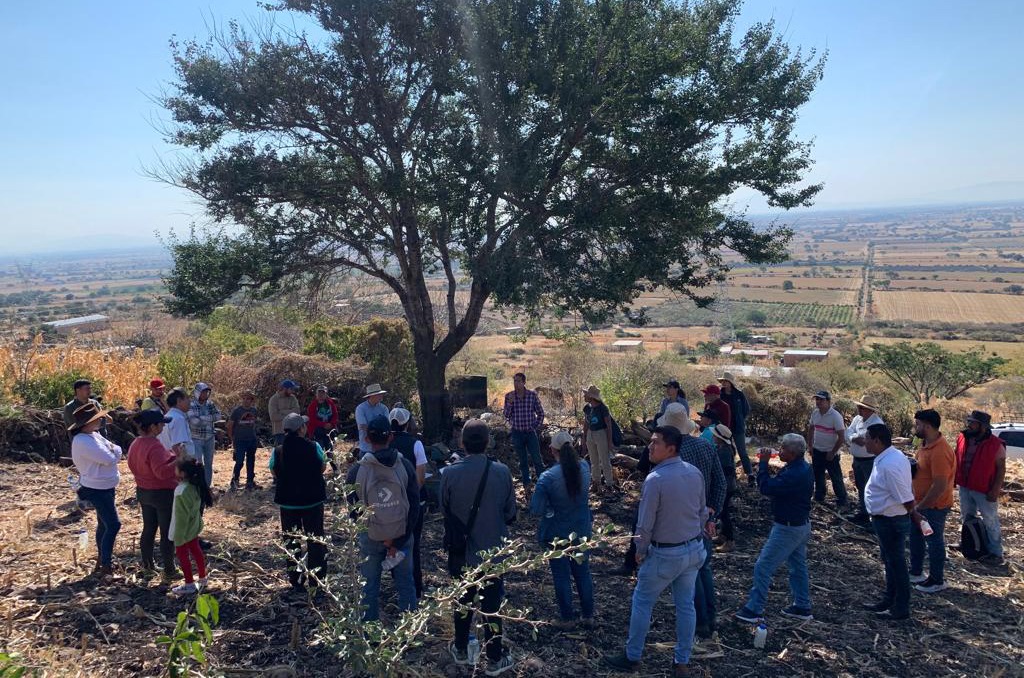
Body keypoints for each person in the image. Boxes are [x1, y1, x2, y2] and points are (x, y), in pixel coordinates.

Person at [604, 426, 708, 677]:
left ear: (671, 448)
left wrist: (639, 550)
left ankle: (632, 656)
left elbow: (645, 522)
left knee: (642, 602)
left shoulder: (656, 480)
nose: (649, 447)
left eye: (655, 443)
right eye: (649, 442)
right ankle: (681, 662)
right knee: (686, 606)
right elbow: (702, 511)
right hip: (693, 550)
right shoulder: (694, 473)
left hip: (666, 554)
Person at [441, 419, 517, 675]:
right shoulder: (502, 472)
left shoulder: (449, 474)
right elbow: (510, 513)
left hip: (461, 552)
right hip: (493, 552)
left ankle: (461, 650)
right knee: (492, 606)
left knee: (462, 603)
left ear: (462, 443)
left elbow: (445, 510)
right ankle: (494, 659)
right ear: (487, 443)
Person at [735, 434, 815, 624]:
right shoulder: (803, 468)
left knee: (763, 566)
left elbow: (767, 487)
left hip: (787, 528)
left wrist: (762, 465)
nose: (779, 451)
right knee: (797, 567)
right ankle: (802, 606)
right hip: (801, 524)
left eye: (783, 448)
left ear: (793, 453)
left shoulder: (794, 474)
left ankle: (755, 609)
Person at [347, 415, 419, 620]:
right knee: (406, 582)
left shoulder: (356, 471)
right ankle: (409, 632)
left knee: (368, 586)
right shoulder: (405, 466)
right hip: (402, 535)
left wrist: (377, 535)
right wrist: (398, 541)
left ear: (367, 439)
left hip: (370, 538)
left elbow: (354, 512)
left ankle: (370, 637)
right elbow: (414, 506)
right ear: (391, 437)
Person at [669, 407, 726, 643]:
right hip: (703, 518)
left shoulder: (671, 452)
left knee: (689, 572)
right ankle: (710, 618)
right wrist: (712, 513)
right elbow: (720, 483)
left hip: (682, 519)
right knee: (704, 568)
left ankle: (701, 621)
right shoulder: (705, 446)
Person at [530, 430, 595, 630]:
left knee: (561, 575)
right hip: (582, 529)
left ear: (552, 450)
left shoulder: (547, 477)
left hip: (556, 533)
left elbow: (536, 509)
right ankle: (588, 615)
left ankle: (567, 618)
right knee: (583, 572)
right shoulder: (584, 467)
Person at [862, 424, 921, 621]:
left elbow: (904, 496)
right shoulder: (890, 457)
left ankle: (901, 608)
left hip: (891, 521)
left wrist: (913, 514)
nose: (865, 441)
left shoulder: (890, 464)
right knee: (890, 561)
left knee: (896, 563)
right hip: (887, 519)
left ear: (877, 440)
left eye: (867, 438)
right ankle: (889, 599)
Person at [272, 413, 328, 590]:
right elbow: (323, 466)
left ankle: (295, 580)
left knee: (291, 541)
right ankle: (317, 580)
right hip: (312, 502)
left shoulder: (278, 450)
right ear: (301, 429)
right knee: (316, 541)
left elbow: (273, 470)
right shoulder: (314, 446)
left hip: (288, 504)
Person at [69, 402, 122, 578]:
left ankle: (102, 559)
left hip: (105, 485)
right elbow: (109, 457)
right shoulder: (82, 441)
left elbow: (116, 451)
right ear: (87, 423)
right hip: (96, 488)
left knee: (104, 524)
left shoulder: (94, 435)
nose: (100, 420)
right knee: (114, 524)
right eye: (96, 418)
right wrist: (113, 452)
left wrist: (113, 452)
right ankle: (106, 563)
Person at [127, 410, 182, 579]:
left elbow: (133, 464)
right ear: (152, 426)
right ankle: (169, 570)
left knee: (149, 529)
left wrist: (171, 456)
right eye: (161, 423)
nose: (163, 426)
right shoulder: (154, 445)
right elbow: (162, 473)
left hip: (144, 491)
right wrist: (178, 459)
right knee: (167, 533)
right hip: (162, 494)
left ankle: (148, 566)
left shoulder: (136, 443)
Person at [909, 409, 955, 593]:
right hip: (919, 504)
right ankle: (916, 572)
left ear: (927, 426)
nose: (915, 427)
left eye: (918, 424)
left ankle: (937, 580)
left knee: (934, 541)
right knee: (916, 538)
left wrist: (922, 506)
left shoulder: (940, 451)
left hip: (934, 507)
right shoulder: (925, 444)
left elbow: (940, 485)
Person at [954, 410, 1007, 567]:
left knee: (990, 520)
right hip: (965, 486)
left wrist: (995, 490)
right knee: (966, 517)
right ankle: (968, 544)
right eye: (969, 422)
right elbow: (956, 458)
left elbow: (1001, 469)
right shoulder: (962, 438)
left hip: (984, 489)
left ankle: (995, 553)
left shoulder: (996, 444)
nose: (969, 425)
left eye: (973, 422)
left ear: (982, 426)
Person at [390, 406, 428, 597]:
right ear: (407, 423)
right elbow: (420, 478)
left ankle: (398, 580)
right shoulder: (416, 444)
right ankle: (416, 586)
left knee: (393, 542)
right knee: (413, 543)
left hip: (390, 504)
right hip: (414, 503)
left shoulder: (385, 444)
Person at [170, 457, 214, 595]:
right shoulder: (196, 487)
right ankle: (202, 578)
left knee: (183, 555)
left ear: (182, 473)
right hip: (193, 527)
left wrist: (178, 536)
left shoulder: (180, 491)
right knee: (196, 551)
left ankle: (189, 583)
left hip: (183, 530)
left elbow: (181, 517)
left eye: (176, 468)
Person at [502, 373, 546, 493]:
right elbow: (506, 415)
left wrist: (535, 426)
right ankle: (527, 486)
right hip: (517, 433)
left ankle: (543, 484)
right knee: (522, 461)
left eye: (519, 381)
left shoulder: (532, 396)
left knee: (537, 459)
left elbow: (541, 413)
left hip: (530, 433)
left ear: (524, 382)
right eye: (515, 381)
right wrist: (510, 403)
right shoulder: (509, 396)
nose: (516, 384)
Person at [806, 390, 848, 510]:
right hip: (817, 450)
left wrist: (833, 452)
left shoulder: (835, 416)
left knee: (836, 477)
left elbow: (841, 437)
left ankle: (842, 500)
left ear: (828, 401)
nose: (818, 402)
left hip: (830, 452)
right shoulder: (815, 413)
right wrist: (810, 446)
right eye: (817, 399)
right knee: (818, 475)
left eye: (821, 399)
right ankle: (819, 497)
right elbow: (811, 429)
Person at [846, 394, 883, 523]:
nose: (859, 409)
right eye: (859, 407)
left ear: (870, 410)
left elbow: (865, 440)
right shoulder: (857, 419)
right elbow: (848, 433)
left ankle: (873, 517)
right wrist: (853, 437)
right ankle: (863, 512)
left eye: (862, 407)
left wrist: (856, 437)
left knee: (871, 489)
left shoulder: (877, 423)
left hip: (870, 461)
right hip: (857, 459)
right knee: (861, 486)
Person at [718, 373, 753, 486]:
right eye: (722, 381)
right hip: (724, 428)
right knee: (727, 451)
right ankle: (731, 474)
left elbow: (746, 409)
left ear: (730, 383)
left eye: (725, 381)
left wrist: (740, 419)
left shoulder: (739, 394)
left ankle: (750, 474)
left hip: (738, 427)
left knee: (742, 451)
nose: (723, 383)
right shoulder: (720, 395)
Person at [582, 385, 617, 492]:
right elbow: (586, 423)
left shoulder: (602, 408)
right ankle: (596, 482)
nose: (584, 396)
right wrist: (584, 437)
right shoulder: (587, 408)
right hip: (590, 434)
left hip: (601, 433)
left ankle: (609, 484)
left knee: (604, 460)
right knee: (593, 460)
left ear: (591, 397)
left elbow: (609, 425)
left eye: (586, 395)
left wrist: (610, 441)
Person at [188, 383, 222, 487]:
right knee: (198, 463)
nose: (205, 394)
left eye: (206, 391)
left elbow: (218, 416)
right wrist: (209, 418)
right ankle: (198, 486)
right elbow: (194, 422)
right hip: (196, 438)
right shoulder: (191, 405)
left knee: (209, 464)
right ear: (198, 392)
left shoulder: (210, 404)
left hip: (209, 438)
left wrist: (202, 418)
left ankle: (207, 486)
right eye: (203, 391)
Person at [710, 424, 738, 552]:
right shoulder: (722, 448)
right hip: (727, 485)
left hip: (726, 486)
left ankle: (730, 540)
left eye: (715, 435)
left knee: (724, 513)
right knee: (722, 512)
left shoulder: (725, 451)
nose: (713, 436)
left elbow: (726, 470)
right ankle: (723, 535)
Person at [227, 390, 261, 491]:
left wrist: (256, 436)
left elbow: (255, 424)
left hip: (251, 439)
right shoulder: (237, 411)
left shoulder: (254, 411)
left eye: (248, 399)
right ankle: (235, 479)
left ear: (252, 400)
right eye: (244, 398)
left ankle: (250, 481)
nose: (246, 401)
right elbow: (230, 425)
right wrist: (232, 439)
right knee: (239, 461)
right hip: (239, 440)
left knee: (251, 460)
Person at [354, 383, 390, 455]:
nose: (381, 396)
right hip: (366, 448)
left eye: (381, 394)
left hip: (381, 448)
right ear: (371, 396)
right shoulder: (361, 409)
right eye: (378, 394)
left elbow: (387, 425)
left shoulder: (384, 408)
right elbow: (362, 426)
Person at [159, 388, 194, 459]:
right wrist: (184, 466)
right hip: (177, 463)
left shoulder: (168, 416)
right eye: (187, 398)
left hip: (167, 459)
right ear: (179, 401)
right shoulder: (178, 419)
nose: (189, 401)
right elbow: (178, 446)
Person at [268, 380, 301, 446]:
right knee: (281, 454)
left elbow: (297, 411)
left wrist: (282, 411)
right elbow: (273, 417)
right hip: (279, 432)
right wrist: (290, 414)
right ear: (284, 389)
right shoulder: (274, 399)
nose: (293, 391)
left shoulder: (293, 398)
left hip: (292, 430)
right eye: (291, 389)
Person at [307, 385, 339, 450]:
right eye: (319, 392)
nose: (320, 394)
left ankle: (330, 460)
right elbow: (312, 419)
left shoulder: (330, 403)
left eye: (323, 392)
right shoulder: (312, 405)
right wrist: (323, 424)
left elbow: (335, 415)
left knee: (330, 450)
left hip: (329, 430)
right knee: (320, 450)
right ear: (316, 394)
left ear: (326, 394)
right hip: (317, 431)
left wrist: (331, 424)